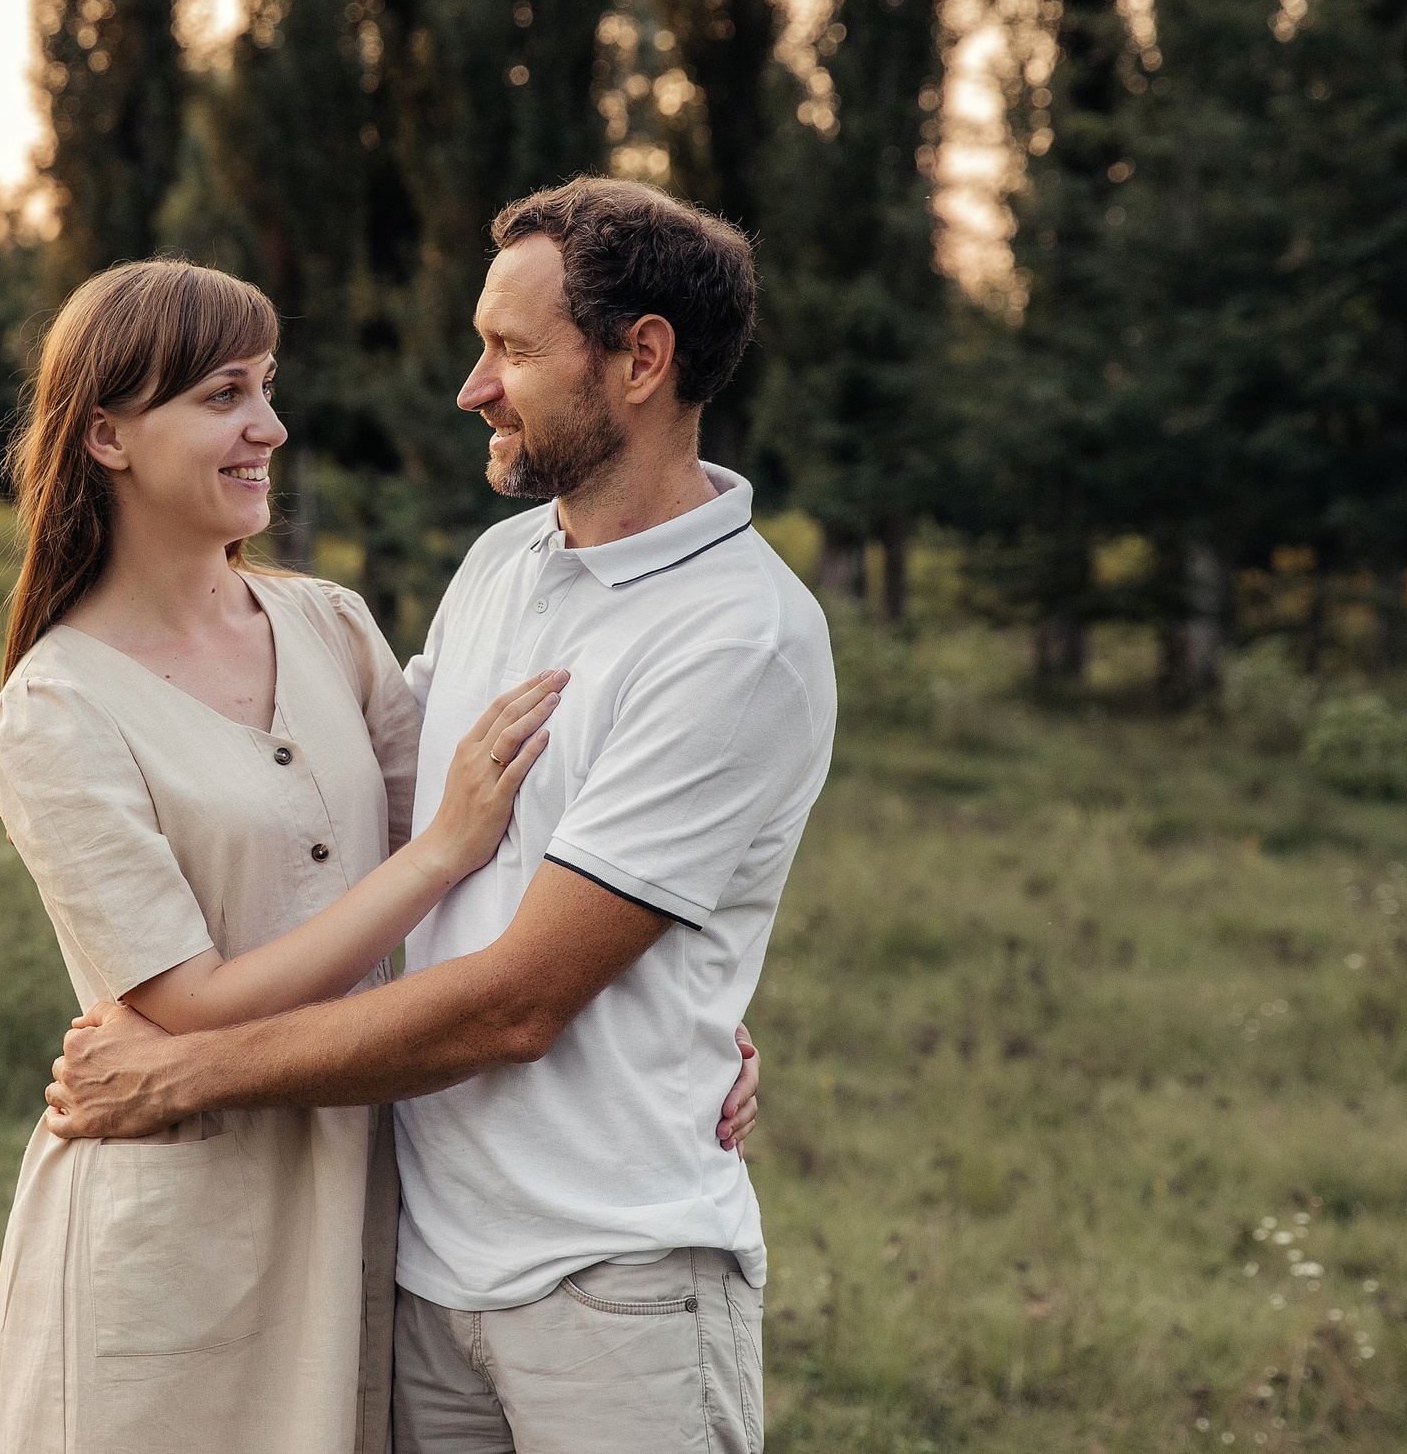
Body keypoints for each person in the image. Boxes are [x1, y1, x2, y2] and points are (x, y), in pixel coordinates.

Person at [45, 177, 836, 1454]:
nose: (473, 388)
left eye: (511, 351)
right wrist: (691, 1010)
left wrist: (181, 1073)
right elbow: (372, 830)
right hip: (419, 1266)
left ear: (641, 360)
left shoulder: (739, 637)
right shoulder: (500, 567)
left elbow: (519, 1003)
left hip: (614, 1282)